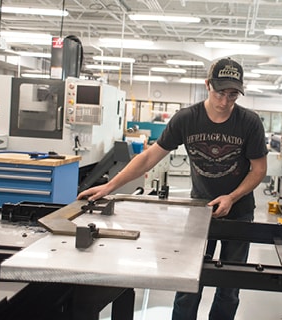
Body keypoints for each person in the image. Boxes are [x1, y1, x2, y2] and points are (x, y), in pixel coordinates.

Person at [77, 57, 268, 320]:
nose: (225, 102)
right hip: (199, 209)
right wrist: (109, 186)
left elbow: (259, 170)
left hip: (239, 210)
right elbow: (149, 156)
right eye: (220, 93)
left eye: (233, 95)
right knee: (188, 284)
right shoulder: (187, 119)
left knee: (230, 287)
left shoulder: (249, 123)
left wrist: (232, 197)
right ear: (207, 85)